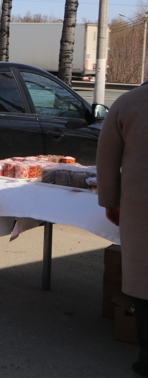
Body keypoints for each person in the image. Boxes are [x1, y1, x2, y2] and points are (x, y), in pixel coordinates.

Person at [97, 68, 148, 377]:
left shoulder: (128, 103)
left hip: (140, 207)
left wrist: (110, 201)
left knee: (144, 283)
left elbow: (106, 159)